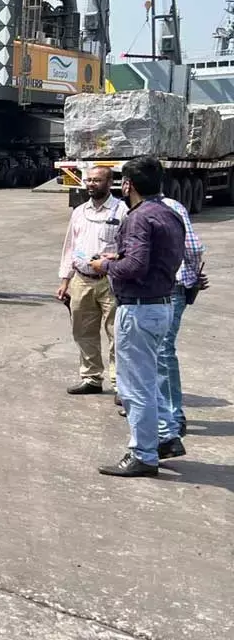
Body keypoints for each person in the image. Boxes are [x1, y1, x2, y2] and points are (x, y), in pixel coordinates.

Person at [90, 158, 184, 477]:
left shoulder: (138, 218)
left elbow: (136, 267)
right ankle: (165, 435)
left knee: (134, 386)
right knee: (148, 375)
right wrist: (119, 256)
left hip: (139, 308)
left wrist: (106, 266)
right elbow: (152, 257)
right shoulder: (170, 213)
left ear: (128, 185)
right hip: (162, 304)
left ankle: (143, 454)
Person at [55, 166, 127, 394]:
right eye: (88, 180)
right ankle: (92, 378)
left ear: (109, 183)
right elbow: (70, 247)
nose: (91, 184)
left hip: (111, 281)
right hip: (81, 279)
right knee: (83, 331)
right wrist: (65, 280)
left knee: (117, 334)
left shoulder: (122, 211)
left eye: (97, 180)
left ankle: (120, 386)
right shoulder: (79, 212)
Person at [156, 196, 207, 438]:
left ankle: (173, 417)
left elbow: (194, 248)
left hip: (170, 288)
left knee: (163, 350)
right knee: (153, 352)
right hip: (150, 289)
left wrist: (190, 277)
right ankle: (160, 410)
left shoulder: (169, 207)